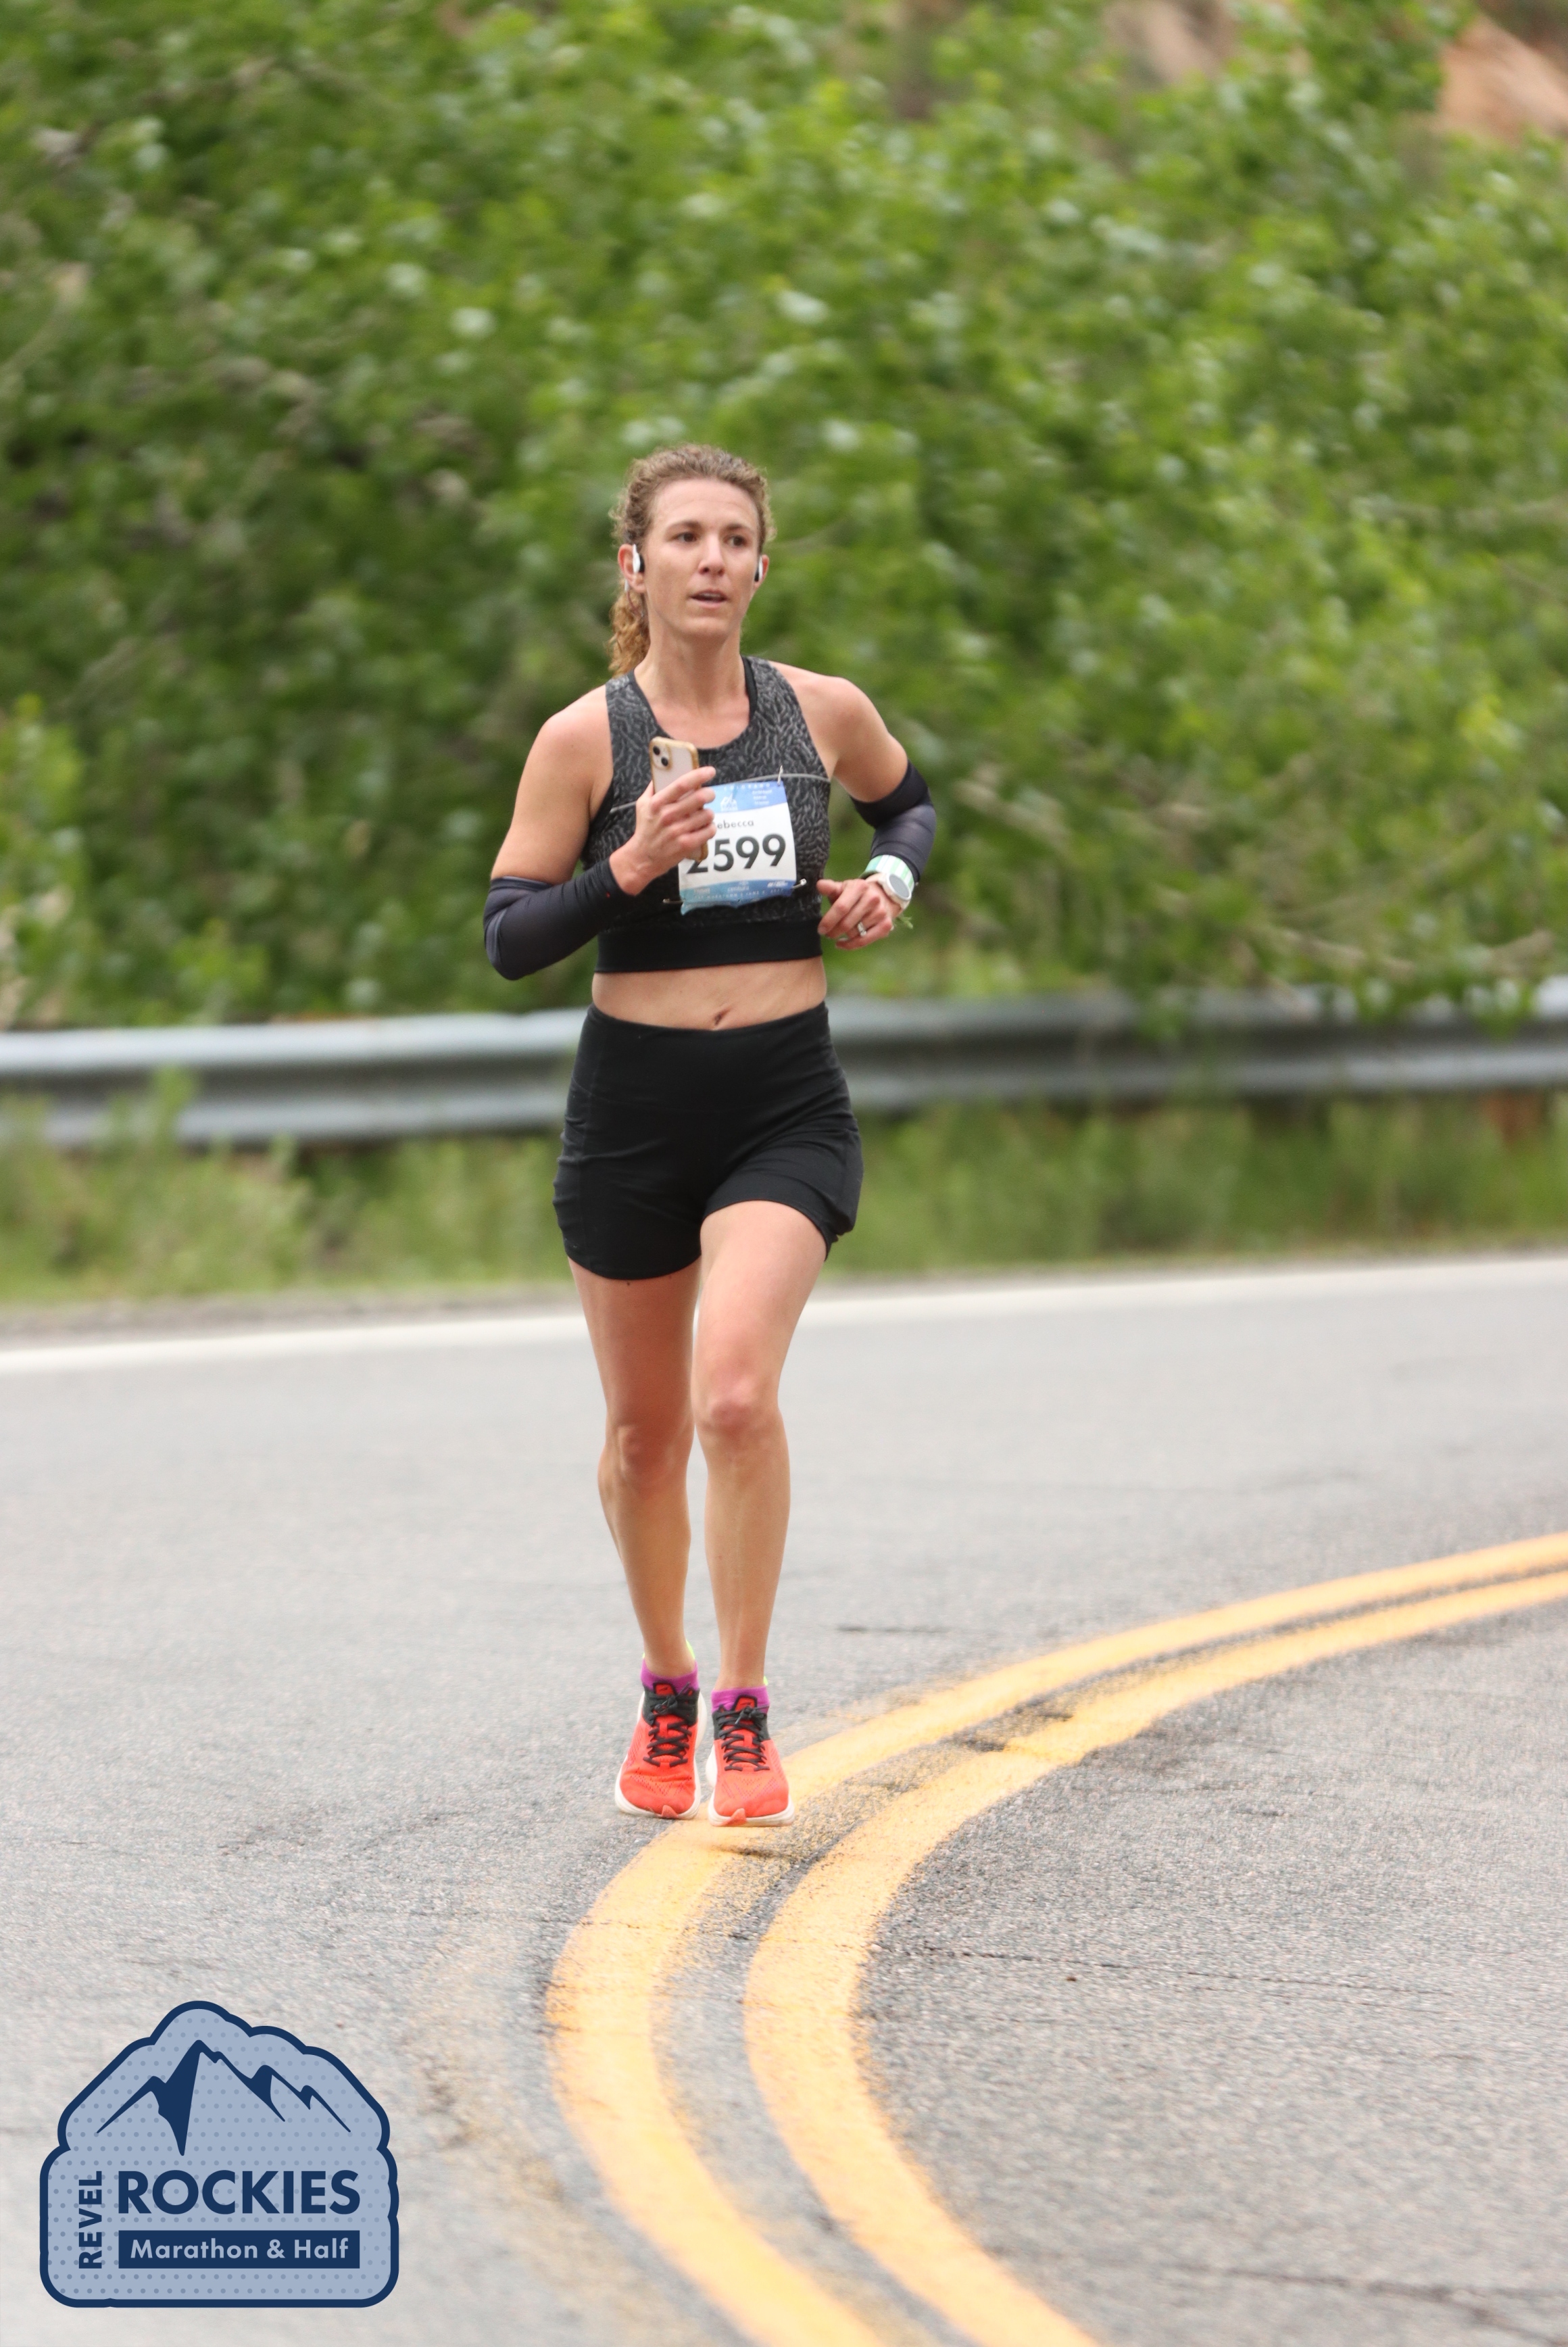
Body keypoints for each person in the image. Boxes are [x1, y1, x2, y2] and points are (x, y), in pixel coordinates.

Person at [484, 443, 935, 1825]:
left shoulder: (819, 711)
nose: (712, 560)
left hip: (780, 1099)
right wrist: (627, 865)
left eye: (735, 539)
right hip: (634, 1107)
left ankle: (742, 1703)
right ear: (637, 565)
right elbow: (509, 936)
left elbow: (908, 802)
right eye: (685, 537)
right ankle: (667, 1681)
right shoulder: (586, 740)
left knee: (734, 1396)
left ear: (759, 565)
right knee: (644, 1435)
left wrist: (887, 878)